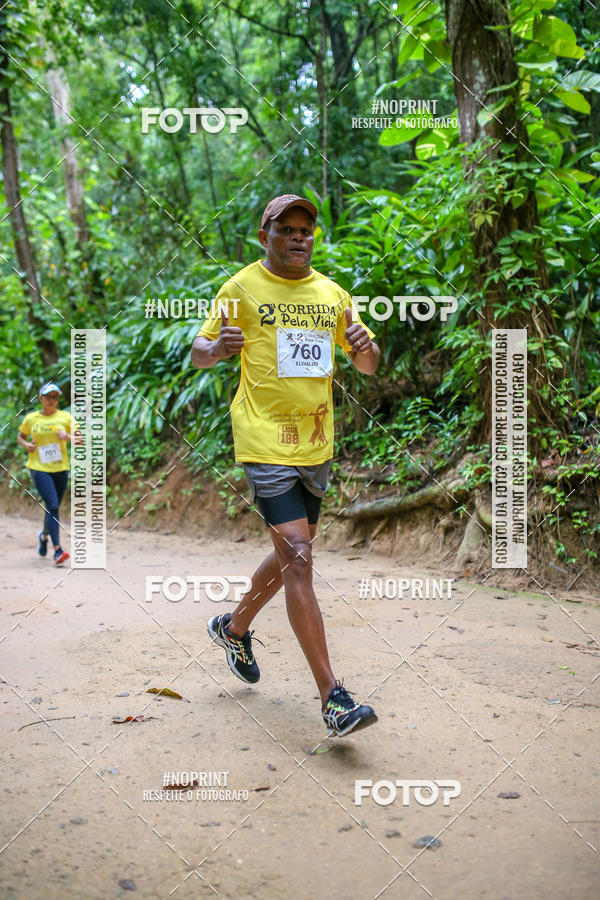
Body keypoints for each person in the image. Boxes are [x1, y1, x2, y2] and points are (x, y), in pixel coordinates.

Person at [191, 193, 380, 736]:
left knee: (294, 551)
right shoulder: (241, 289)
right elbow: (199, 350)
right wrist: (218, 350)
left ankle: (233, 625)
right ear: (264, 236)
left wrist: (366, 346)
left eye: (307, 229)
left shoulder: (331, 294)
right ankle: (334, 698)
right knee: (299, 558)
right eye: (287, 229)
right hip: (262, 440)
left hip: (316, 443)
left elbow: (366, 364)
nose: (300, 236)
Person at [17, 382, 79, 566]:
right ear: (41, 399)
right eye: (48, 397)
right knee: (52, 505)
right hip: (39, 468)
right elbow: (21, 436)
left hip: (60, 469)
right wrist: (26, 445)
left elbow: (80, 439)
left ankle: (44, 536)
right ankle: (58, 550)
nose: (52, 400)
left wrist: (67, 437)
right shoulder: (31, 418)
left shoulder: (65, 417)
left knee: (52, 508)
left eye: (55, 397)